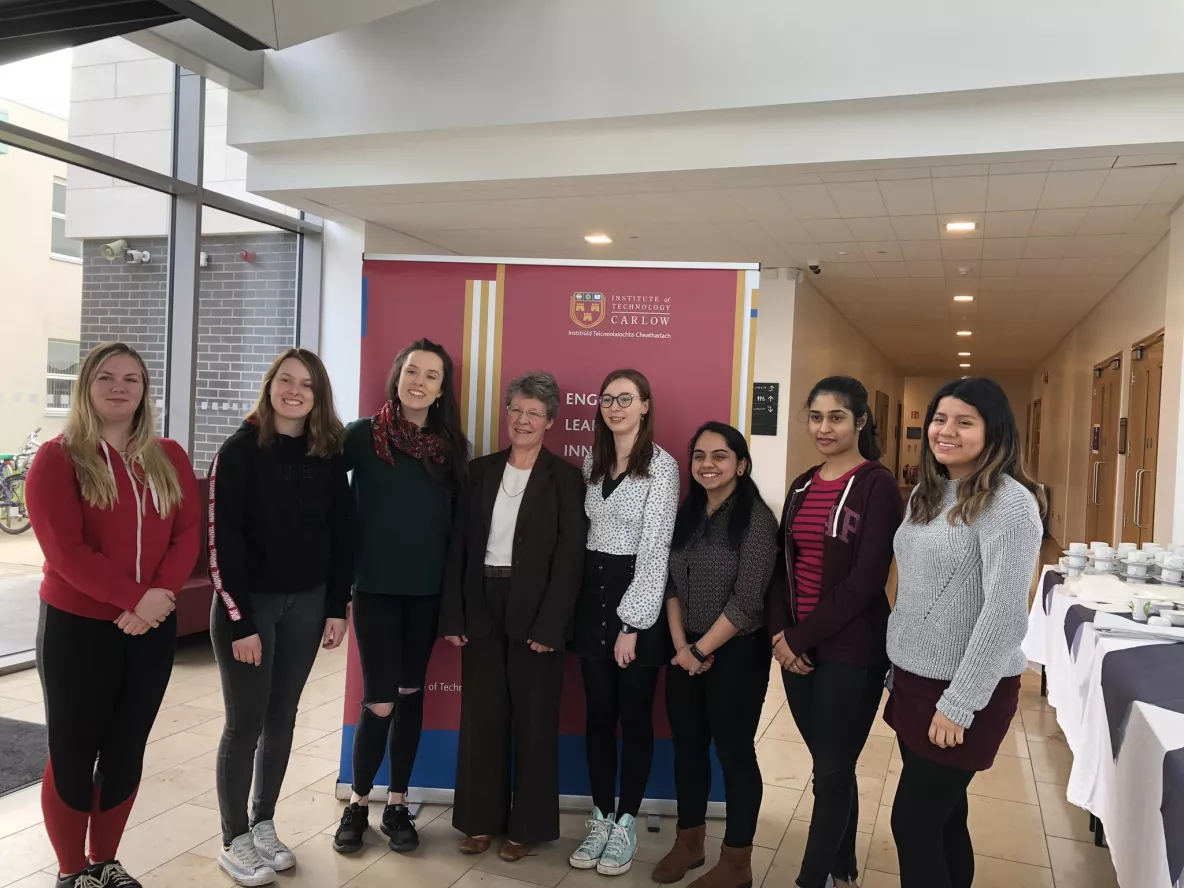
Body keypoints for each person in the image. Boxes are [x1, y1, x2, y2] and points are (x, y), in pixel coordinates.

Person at [26, 342, 200, 888]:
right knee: (74, 748)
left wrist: (159, 597)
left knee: (126, 746)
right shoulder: (58, 457)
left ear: (145, 389)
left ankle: (105, 861)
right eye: (106, 377)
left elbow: (188, 531)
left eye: (131, 378)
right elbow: (65, 550)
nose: (120, 387)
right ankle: (71, 870)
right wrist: (134, 598)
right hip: (78, 626)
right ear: (86, 387)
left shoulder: (168, 456)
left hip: (150, 624)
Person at [886, 377, 1044, 888]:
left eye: (964, 421)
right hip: (915, 681)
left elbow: (1003, 614)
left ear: (993, 431)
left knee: (912, 824)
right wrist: (900, 663)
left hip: (962, 692)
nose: (945, 431)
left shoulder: (1010, 504)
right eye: (939, 418)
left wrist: (960, 702)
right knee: (946, 819)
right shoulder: (928, 494)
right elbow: (917, 590)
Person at [208, 348, 353, 887]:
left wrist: (337, 606)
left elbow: (343, 535)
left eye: (307, 384)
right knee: (244, 724)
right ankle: (234, 838)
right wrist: (241, 620)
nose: (295, 391)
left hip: (309, 604)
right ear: (270, 386)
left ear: (318, 397)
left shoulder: (327, 453)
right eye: (286, 380)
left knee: (282, 717)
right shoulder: (240, 450)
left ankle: (263, 821)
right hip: (251, 609)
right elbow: (221, 543)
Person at [439, 371, 586, 860]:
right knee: (482, 718)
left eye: (535, 413)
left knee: (535, 721)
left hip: (536, 615)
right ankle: (479, 822)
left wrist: (552, 625)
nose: (523, 420)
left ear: (551, 422)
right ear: (508, 414)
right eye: (517, 410)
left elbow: (570, 559)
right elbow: (459, 548)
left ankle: (525, 828)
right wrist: (455, 616)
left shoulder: (565, 478)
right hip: (481, 606)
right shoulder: (479, 471)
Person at [333, 338, 468, 855]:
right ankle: (358, 802)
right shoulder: (361, 437)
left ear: (440, 390)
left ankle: (398, 803)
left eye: (432, 376)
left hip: (427, 595)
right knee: (380, 700)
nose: (420, 381)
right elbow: (320, 491)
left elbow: (458, 533)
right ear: (397, 376)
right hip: (374, 592)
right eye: (413, 370)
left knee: (412, 695)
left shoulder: (452, 447)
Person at [768, 377, 904, 888]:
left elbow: (866, 581)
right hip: (796, 648)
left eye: (837, 417)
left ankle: (812, 877)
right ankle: (843, 865)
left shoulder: (877, 485)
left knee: (829, 770)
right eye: (816, 417)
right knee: (834, 764)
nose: (825, 428)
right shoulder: (803, 484)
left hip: (852, 651)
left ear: (860, 422)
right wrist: (782, 634)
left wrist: (801, 639)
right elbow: (785, 565)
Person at [568, 368, 680, 878]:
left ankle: (627, 821)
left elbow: (655, 550)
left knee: (634, 717)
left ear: (645, 406)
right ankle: (600, 816)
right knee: (597, 716)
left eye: (626, 399)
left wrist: (631, 624)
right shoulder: (592, 460)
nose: (615, 407)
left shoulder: (662, 466)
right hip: (591, 601)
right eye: (608, 398)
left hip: (637, 606)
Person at [654, 422, 777, 888]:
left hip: (736, 653)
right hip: (685, 648)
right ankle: (690, 842)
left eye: (720, 456)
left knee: (734, 753)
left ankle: (736, 863)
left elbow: (748, 602)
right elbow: (670, 583)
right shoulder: (688, 514)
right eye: (700, 455)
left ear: (741, 465)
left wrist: (701, 649)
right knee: (687, 751)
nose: (708, 464)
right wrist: (683, 646)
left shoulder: (757, 521)